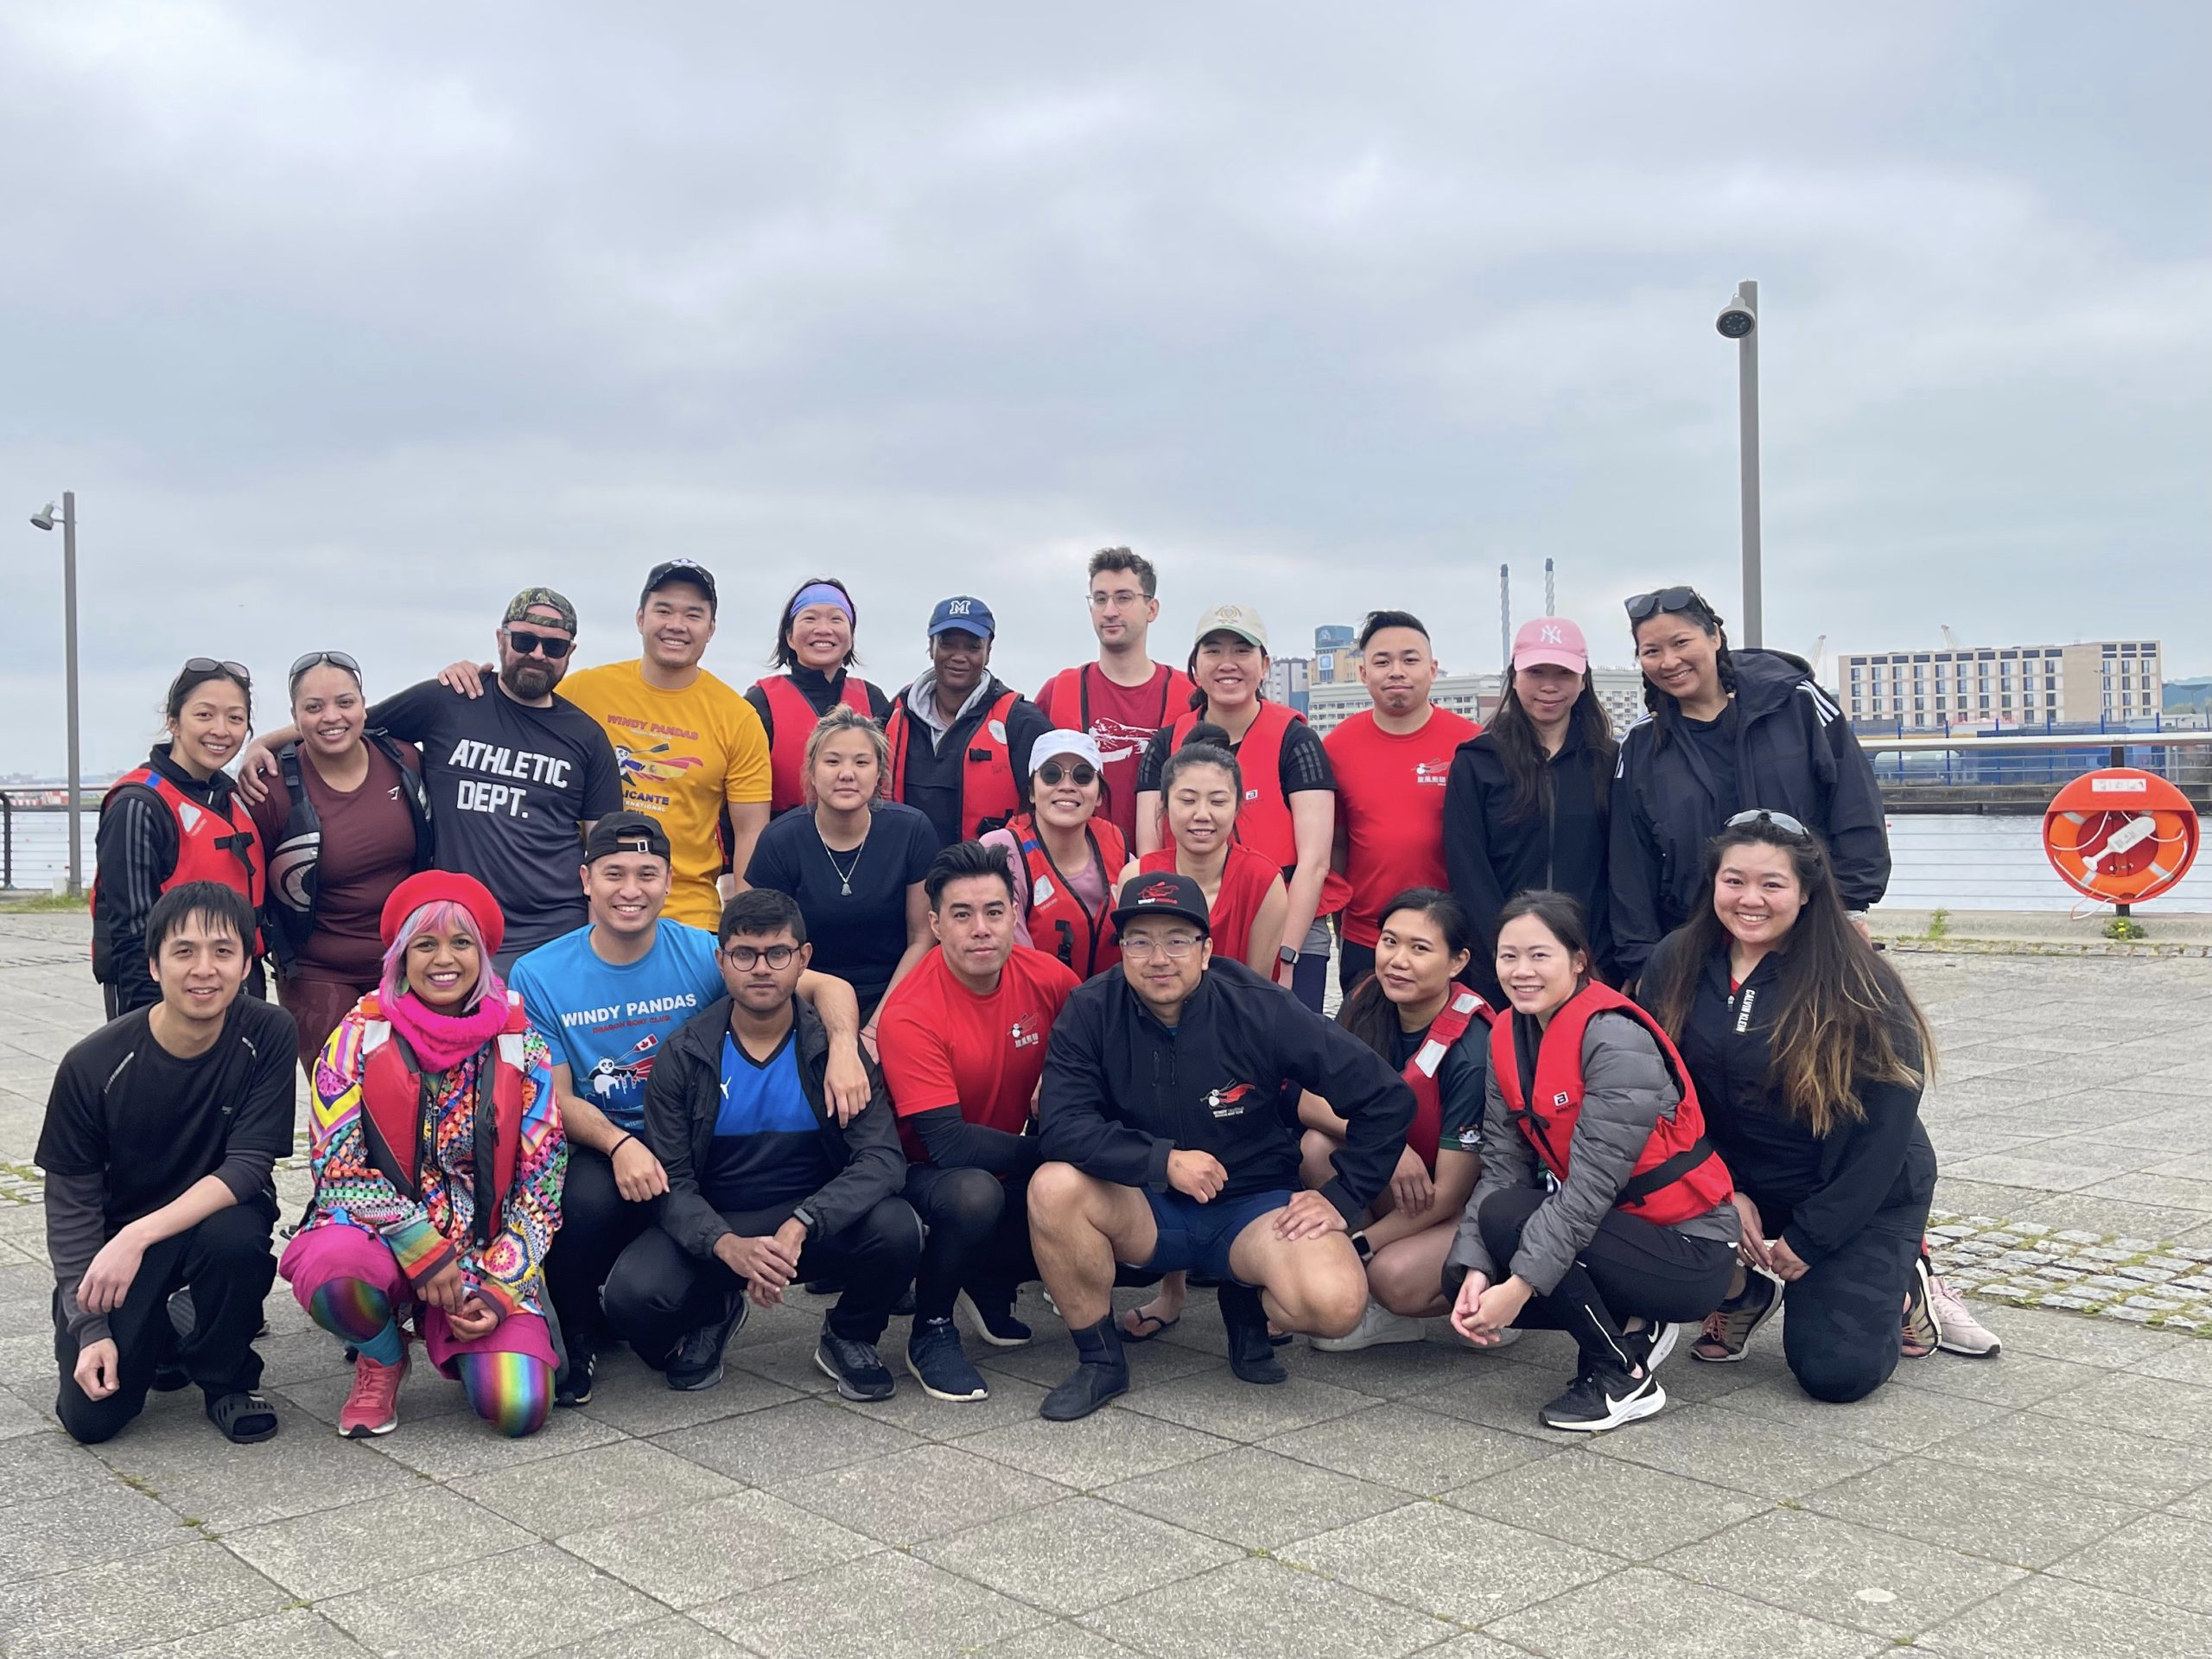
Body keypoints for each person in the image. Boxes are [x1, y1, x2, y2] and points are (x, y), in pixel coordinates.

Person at [509, 811, 871, 1406]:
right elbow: (556, 1097)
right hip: (608, 1144)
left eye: (647, 873)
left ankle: (713, 1297)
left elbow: (828, 987)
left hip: (694, 1142)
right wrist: (619, 1144)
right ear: (585, 879)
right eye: (614, 874)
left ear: (669, 880)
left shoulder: (704, 953)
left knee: (661, 1306)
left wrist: (842, 1051)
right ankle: (577, 1334)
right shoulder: (540, 972)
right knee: (582, 1195)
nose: (631, 890)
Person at [1028, 873, 1414, 1421]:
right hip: (1146, 1205)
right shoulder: (1091, 1009)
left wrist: (1342, 1195)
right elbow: (1063, 1127)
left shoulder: (1261, 1006)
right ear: (1123, 951)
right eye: (1139, 940)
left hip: (1251, 1208)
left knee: (1336, 1304)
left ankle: (1245, 1303)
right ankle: (1100, 1362)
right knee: (1053, 1187)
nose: (1158, 957)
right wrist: (1161, 1160)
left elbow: (1386, 1098)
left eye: (1178, 940)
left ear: (1207, 951)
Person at [1639, 812, 1984, 1398]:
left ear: (1805, 892)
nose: (1751, 899)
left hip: (1852, 1190)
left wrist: (1814, 1238)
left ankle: (1903, 1288)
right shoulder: (1677, 960)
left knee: (1835, 1373)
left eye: (1772, 884)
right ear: (1713, 884)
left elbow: (1886, 1131)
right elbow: (1662, 1091)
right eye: (1734, 880)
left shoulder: (1857, 980)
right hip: (1739, 1179)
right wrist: (1721, 1190)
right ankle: (1742, 1291)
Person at [601, 888, 922, 1400]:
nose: (762, 969)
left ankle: (849, 1335)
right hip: (722, 1220)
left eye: (778, 954)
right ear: (721, 962)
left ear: (803, 959)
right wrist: (725, 1245)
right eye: (745, 955)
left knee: (898, 1227)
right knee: (632, 1298)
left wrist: (804, 1223)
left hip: (813, 1222)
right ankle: (715, 1312)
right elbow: (672, 1184)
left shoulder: (834, 1054)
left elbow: (882, 1160)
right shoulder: (682, 1058)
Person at [279, 871, 567, 1440]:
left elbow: (544, 1185)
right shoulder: (357, 1036)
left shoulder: (521, 1042)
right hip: (377, 1235)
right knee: (336, 1276)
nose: (445, 959)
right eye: (425, 943)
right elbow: (336, 1166)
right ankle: (382, 1355)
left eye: (461, 943)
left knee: (519, 1407)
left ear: (483, 954)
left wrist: (499, 1286)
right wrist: (419, 1245)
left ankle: (461, 1326)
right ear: (401, 954)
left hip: (483, 1249)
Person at [1445, 892, 1738, 1433]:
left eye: (1540, 955)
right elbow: (1502, 1164)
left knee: (1513, 1225)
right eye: (1508, 956)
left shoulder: (1615, 1039)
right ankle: (1631, 1323)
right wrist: (1476, 1269)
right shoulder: (1508, 1035)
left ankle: (1624, 1374)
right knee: (1468, 1263)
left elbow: (1586, 1191)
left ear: (1578, 960)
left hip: (1687, 1247)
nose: (1521, 971)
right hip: (1618, 1233)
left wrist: (1520, 1287)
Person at [242, 588, 623, 972]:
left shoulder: (587, 738)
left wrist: (598, 950)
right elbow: (346, 722)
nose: (538, 654)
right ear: (500, 639)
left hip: (555, 934)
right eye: (525, 641)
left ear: (570, 654)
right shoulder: (449, 700)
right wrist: (262, 743)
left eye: (554, 647)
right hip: (456, 931)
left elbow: (606, 851)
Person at [41, 882, 290, 1446]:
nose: (205, 969)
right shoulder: (92, 1066)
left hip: (206, 1225)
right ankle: (163, 1330)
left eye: (223, 952)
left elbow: (250, 1165)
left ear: (248, 963)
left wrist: (141, 1233)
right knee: (90, 1419)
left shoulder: (268, 1033)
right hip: (115, 1251)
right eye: (184, 952)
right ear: (154, 965)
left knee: (238, 1233)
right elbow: (71, 1207)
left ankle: (226, 1382)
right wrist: (90, 1329)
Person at [877, 842, 1081, 1402]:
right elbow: (946, 1144)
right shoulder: (911, 1010)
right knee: (973, 1194)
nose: (981, 929)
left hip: (1005, 1152)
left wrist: (1061, 1082)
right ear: (936, 925)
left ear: (1015, 915)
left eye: (994, 911)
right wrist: (1065, 1151)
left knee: (1093, 1182)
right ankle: (932, 1329)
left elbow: (1099, 1051)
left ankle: (990, 1279)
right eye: (962, 915)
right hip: (920, 1173)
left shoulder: (1050, 978)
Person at [1611, 586, 1888, 988]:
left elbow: (1854, 804)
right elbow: (1630, 862)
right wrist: (1641, 962)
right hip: (1694, 944)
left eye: (1681, 643)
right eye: (1652, 651)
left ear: (1715, 637)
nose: (1669, 661)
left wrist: (1849, 908)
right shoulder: (1642, 744)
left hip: (1807, 932)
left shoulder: (1796, 704)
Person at [1110, 726, 1290, 1343]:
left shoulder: (1264, 878)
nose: (1202, 814)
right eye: (1187, 799)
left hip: (1234, 1041)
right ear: (1165, 809)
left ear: (1239, 807)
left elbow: (1263, 991)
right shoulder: (1139, 872)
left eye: (1218, 799)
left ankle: (1255, 1288)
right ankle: (1172, 1288)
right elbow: (1128, 971)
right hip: (1152, 1035)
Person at [1299, 890, 1494, 1351]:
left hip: (1465, 1206)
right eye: (1389, 942)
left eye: (1420, 948)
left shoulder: (1471, 1049)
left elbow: (1450, 1194)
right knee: (1315, 1147)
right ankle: (1369, 1304)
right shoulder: (1369, 997)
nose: (1397, 961)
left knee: (1394, 1277)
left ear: (1457, 962)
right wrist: (1387, 1145)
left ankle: (1497, 1298)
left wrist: (1358, 1246)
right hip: (1402, 1180)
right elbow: (1309, 1101)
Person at [1135, 604, 1340, 1010]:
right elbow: (1149, 851)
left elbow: (1315, 860)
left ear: (1264, 665)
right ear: (1194, 668)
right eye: (1213, 651)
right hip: (1189, 918)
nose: (1228, 663)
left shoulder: (1296, 741)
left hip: (1289, 922)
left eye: (1242, 651)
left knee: (1286, 1055)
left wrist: (1285, 954)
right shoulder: (1165, 743)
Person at [250, 652, 434, 1075]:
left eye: (345, 703)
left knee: (413, 1097)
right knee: (340, 1097)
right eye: (314, 707)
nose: (331, 717)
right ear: (295, 717)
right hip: (317, 969)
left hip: (406, 962)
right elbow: (250, 883)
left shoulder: (404, 761)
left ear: (363, 705)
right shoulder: (273, 787)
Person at [1446, 617, 1618, 1007]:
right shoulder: (1478, 761)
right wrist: (1503, 953)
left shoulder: (1607, 761)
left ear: (1584, 679)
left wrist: (1600, 954)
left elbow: (1620, 865)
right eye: (1536, 672)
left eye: (1564, 673)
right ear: (1515, 675)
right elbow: (1467, 866)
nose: (1549, 686)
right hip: (1505, 968)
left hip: (1587, 962)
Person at [93, 659, 267, 1018]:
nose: (221, 730)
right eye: (204, 715)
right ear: (173, 722)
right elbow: (133, 934)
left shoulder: (232, 797)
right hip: (169, 1002)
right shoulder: (137, 806)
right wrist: (156, 1030)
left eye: (235, 718)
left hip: (240, 990)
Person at [744, 706, 937, 1027]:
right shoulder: (780, 841)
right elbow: (765, 946)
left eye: (861, 762)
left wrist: (879, 1027)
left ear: (879, 774)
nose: (846, 773)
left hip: (896, 992)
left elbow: (922, 937)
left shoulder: (912, 831)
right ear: (812, 771)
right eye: (832, 761)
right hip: (805, 994)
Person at [1323, 611, 1480, 998]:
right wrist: (1343, 929)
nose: (1397, 671)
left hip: (1452, 938)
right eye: (1382, 661)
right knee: (1368, 1049)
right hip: (1369, 938)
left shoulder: (1472, 745)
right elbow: (1337, 846)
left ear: (1433, 669)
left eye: (1410, 660)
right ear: (1363, 673)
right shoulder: (1336, 748)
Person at [1036, 549, 1195, 847]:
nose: (1110, 610)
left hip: (1170, 871)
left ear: (1152, 609)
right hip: (1079, 872)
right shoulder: (1057, 692)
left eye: (1123, 598)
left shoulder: (1189, 695)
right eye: (1100, 599)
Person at [885, 596, 1051, 849]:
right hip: (907, 878)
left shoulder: (1021, 722)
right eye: (948, 644)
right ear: (931, 646)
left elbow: (1056, 804)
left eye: (972, 647)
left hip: (988, 878)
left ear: (988, 651)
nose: (959, 656)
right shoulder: (894, 714)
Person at [980, 730, 1127, 979]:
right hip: (1032, 1003)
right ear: (1032, 793)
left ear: (1099, 794)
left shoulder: (1122, 854)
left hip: (1107, 1008)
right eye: (1051, 775)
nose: (1067, 786)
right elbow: (1012, 960)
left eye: (1082, 776)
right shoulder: (1001, 851)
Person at [746, 576, 894, 816]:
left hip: (860, 841)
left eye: (836, 619)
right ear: (790, 637)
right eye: (810, 618)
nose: (823, 630)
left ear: (851, 636)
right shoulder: (760, 702)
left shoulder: (873, 699)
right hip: (782, 840)